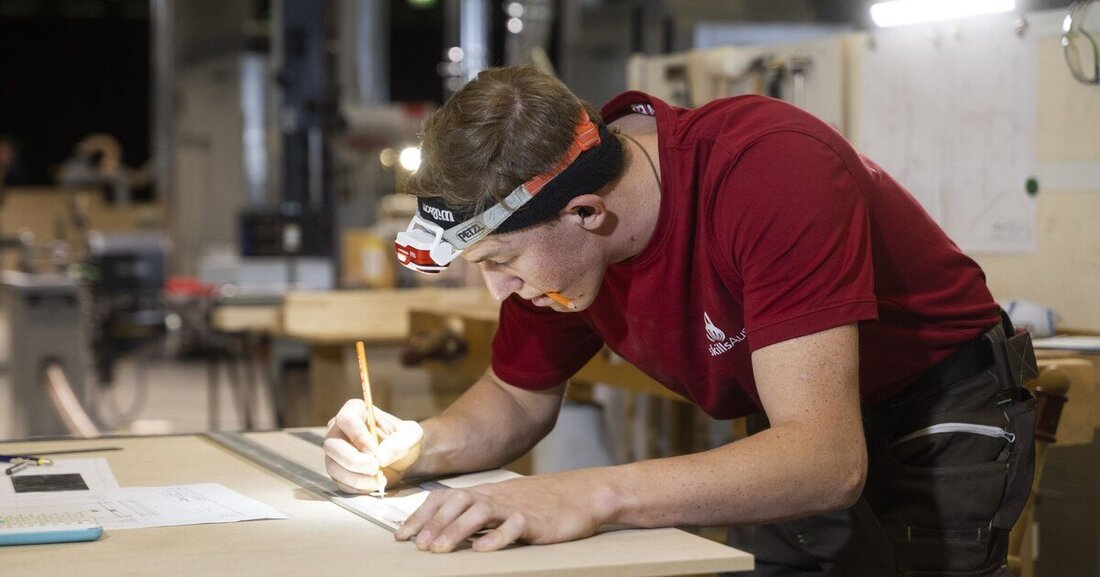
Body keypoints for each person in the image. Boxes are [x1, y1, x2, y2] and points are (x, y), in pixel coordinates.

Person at [324, 65, 1037, 576]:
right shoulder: (563, 246)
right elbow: (515, 397)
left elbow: (826, 459)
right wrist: (417, 443)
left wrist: (589, 490)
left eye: (501, 261)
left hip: (934, 403)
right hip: (792, 421)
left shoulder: (767, 172)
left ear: (587, 214)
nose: (499, 292)